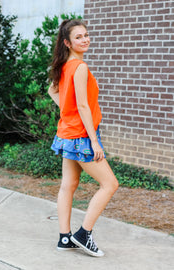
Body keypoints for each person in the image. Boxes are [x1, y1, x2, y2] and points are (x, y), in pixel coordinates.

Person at [48, 19, 119, 257]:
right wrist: (95, 141)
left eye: (86, 35)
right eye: (79, 37)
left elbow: (52, 90)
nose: (85, 39)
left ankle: (64, 237)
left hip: (67, 133)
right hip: (80, 136)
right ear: (68, 43)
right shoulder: (79, 67)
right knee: (110, 184)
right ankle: (83, 234)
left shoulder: (64, 66)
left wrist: (66, 114)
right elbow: (82, 105)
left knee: (68, 186)